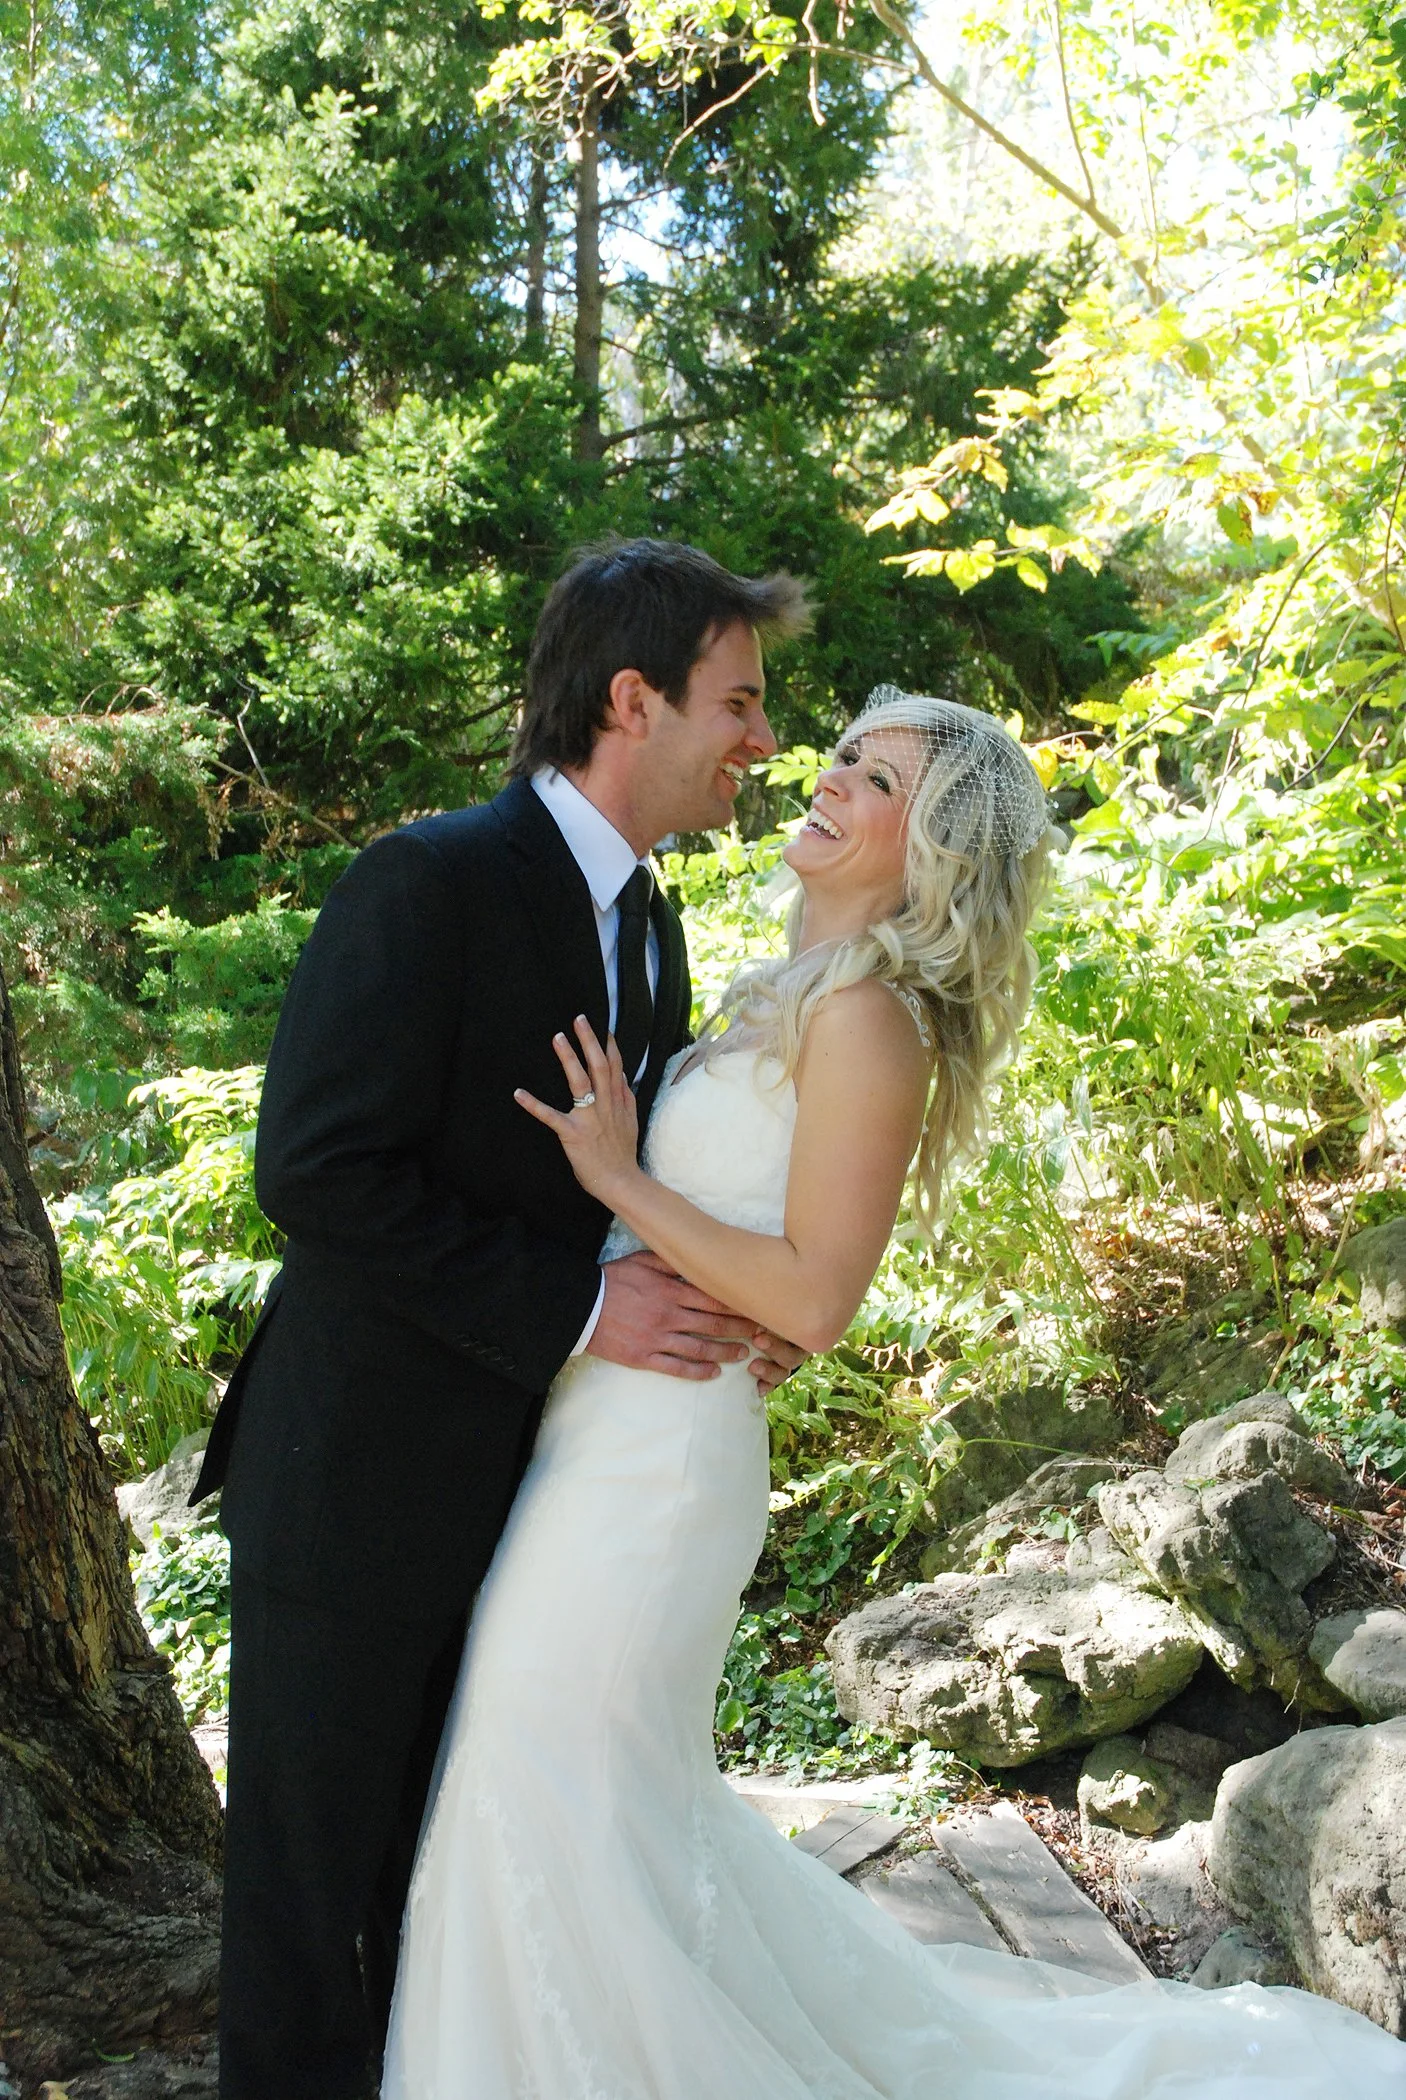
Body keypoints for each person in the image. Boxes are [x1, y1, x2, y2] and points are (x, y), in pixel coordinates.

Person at [382, 686, 1406, 2097]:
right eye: (844, 759)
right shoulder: (775, 986)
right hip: (598, 1428)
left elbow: (813, 1295)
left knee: (537, 1772)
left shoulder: (869, 1019)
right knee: (562, 1787)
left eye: (869, 779)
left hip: (662, 1466)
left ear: (925, 848)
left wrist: (617, 1177)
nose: (826, 781)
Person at [189, 538, 812, 2100]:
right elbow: (315, 1173)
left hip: (536, 1496)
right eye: (737, 703)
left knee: (444, 1890)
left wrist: (735, 1299)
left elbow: (620, 1191)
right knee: (303, 1902)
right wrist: (578, 1311)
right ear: (629, 699)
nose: (761, 741)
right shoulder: (433, 879)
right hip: (357, 1477)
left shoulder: (652, 922)